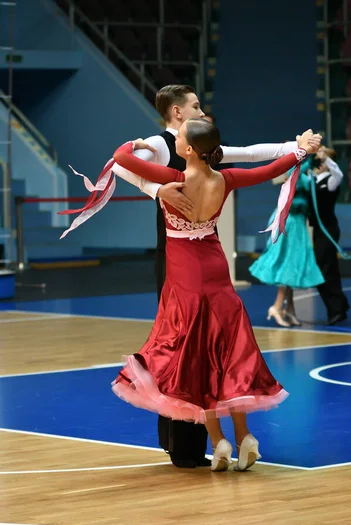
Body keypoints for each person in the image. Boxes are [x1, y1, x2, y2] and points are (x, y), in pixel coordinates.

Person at [60, 84, 320, 469]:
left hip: (185, 273)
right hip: (216, 266)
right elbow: (266, 167)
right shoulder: (226, 179)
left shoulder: (172, 178)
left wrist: (141, 155)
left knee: (195, 352)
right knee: (228, 348)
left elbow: (119, 158)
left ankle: (217, 443)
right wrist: (299, 150)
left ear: (185, 149)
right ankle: (243, 435)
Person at [249, 157, 324, 327]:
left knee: (294, 264)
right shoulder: (295, 172)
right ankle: (276, 306)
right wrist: (307, 163)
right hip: (289, 222)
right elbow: (292, 173)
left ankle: (290, 308)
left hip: (298, 223)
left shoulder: (306, 174)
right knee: (288, 263)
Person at [309, 146, 350, 326]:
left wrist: (326, 158)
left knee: (322, 270)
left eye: (323, 155)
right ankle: (339, 306)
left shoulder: (332, 180)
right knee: (330, 269)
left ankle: (336, 309)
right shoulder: (314, 179)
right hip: (318, 230)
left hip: (329, 229)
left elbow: (339, 174)